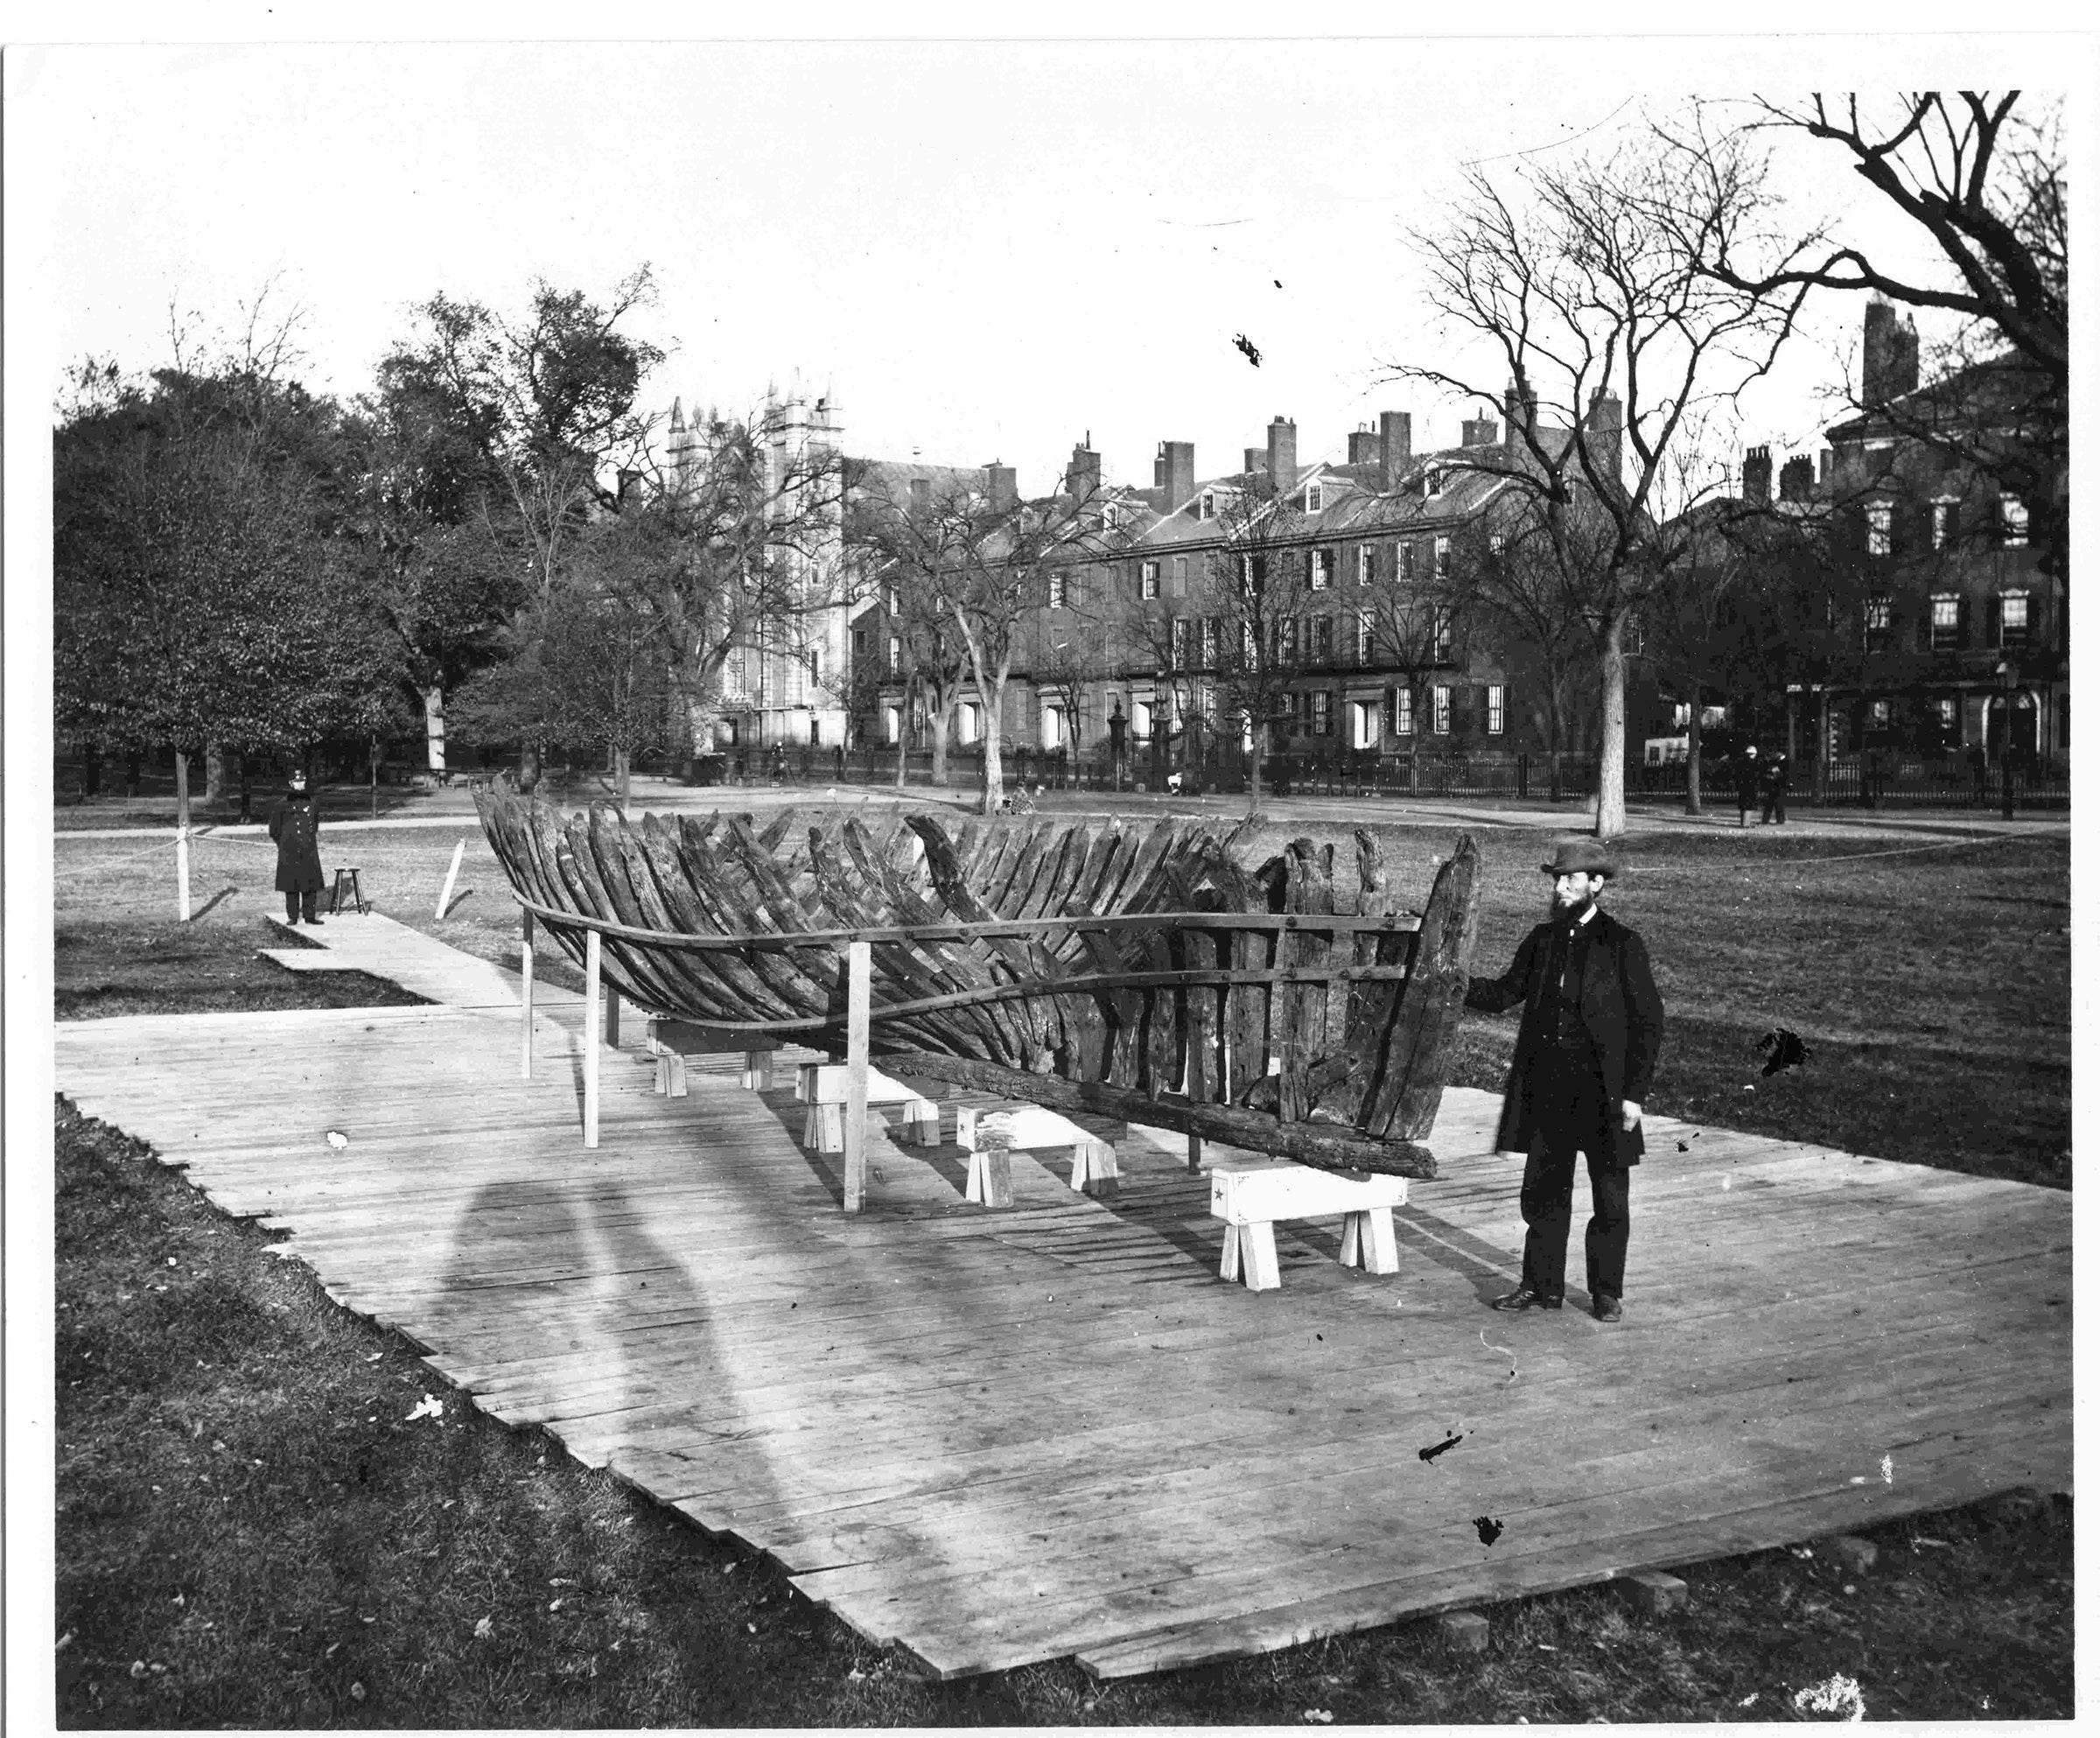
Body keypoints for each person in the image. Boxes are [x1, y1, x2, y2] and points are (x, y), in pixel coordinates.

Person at [1464, 838, 1666, 1322]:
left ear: (1597, 884)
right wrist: (1447, 977)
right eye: (1557, 879)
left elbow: (1648, 1023)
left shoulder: (1623, 944)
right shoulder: (1542, 940)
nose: (1560, 887)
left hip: (1606, 1095)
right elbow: (1502, 993)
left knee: (1610, 1200)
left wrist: (1635, 1094)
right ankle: (1541, 1287)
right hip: (1550, 1090)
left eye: (1570, 879)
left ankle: (1605, 1292)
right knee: (1542, 1194)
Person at [269, 768, 326, 925]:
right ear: (291, 783)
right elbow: (274, 830)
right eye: (296, 782)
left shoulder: (312, 803)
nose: (300, 784)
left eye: (302, 781)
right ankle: (292, 916)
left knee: (310, 883)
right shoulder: (282, 804)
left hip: (308, 848)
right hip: (289, 849)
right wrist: (285, 844)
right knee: (291, 884)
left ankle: (310, 916)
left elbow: (314, 825)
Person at [1732, 743, 1760, 828]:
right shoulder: (1754, 764)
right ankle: (1746, 824)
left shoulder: (1740, 762)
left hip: (1742, 787)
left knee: (1743, 806)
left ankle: (1743, 822)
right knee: (1749, 806)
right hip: (1751, 788)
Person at [1760, 750, 1789, 825]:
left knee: (1776, 804)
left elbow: (1785, 774)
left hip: (1779, 785)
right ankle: (1774, 820)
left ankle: (1777, 820)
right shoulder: (1778, 761)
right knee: (1773, 804)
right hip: (1776, 785)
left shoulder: (1785, 762)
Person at [1107, 701, 1129, 790]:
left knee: (1118, 763)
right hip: (1118, 748)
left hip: (1117, 747)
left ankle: (1117, 781)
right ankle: (1118, 782)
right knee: (1117, 763)